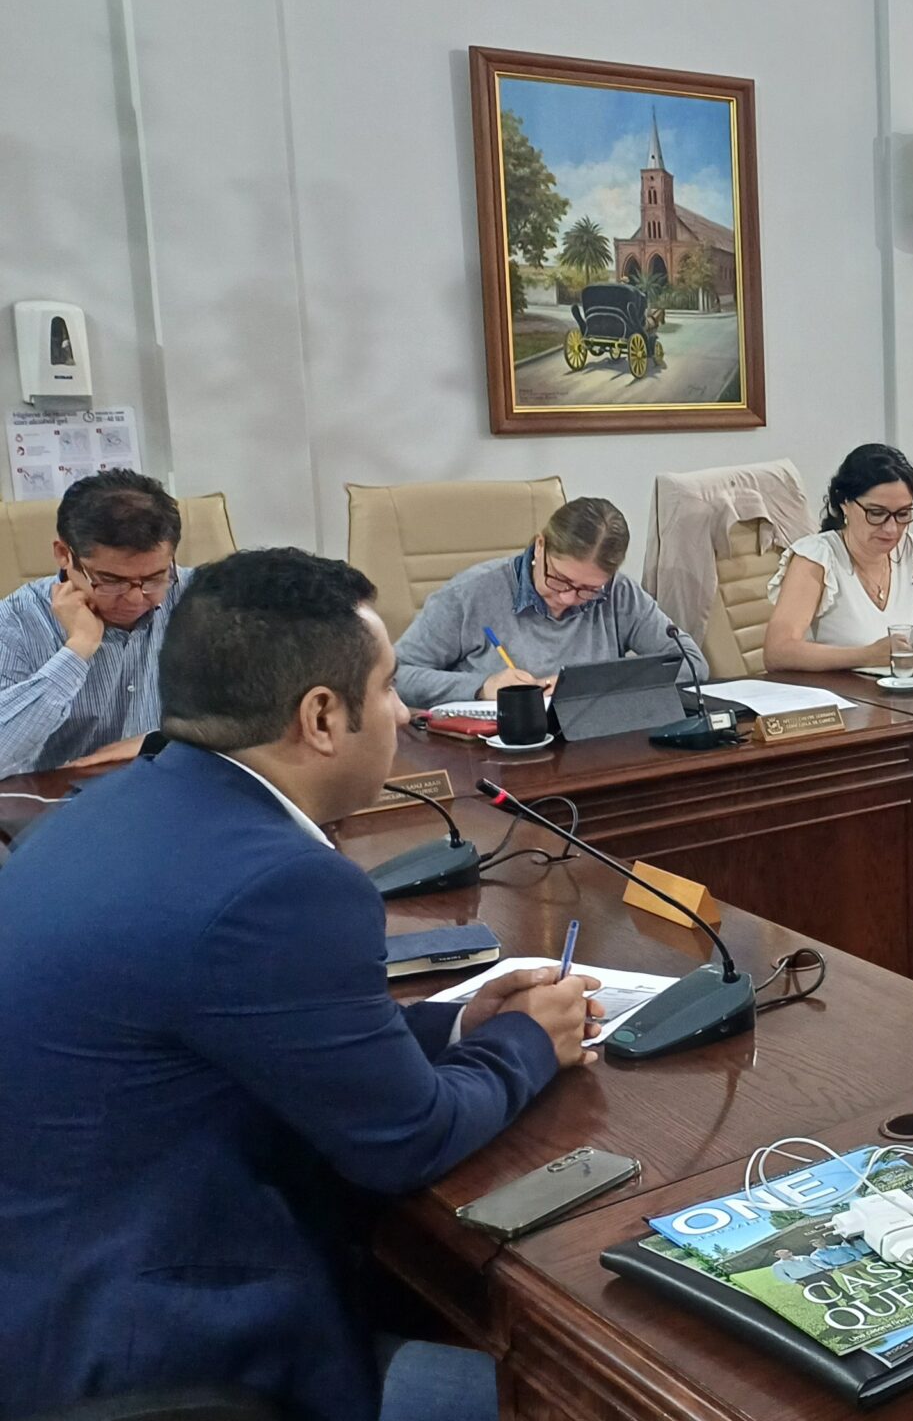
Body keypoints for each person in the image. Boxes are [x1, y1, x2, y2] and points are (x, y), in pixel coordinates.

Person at [0, 548, 601, 1420]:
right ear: (321, 716)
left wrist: (458, 1027)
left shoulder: (109, 807)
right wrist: (528, 1042)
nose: (401, 712)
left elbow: (245, 1035)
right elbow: (409, 1139)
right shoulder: (278, 883)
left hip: (45, 1297)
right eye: (388, 688)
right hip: (161, 1352)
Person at [393, 496, 706, 707]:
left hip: (592, 748)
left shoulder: (618, 592)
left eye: (588, 589)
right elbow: (396, 675)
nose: (568, 597)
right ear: (540, 545)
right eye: (559, 579)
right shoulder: (469, 594)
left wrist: (589, 685)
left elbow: (692, 664)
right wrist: (482, 687)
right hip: (496, 755)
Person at [0, 468, 188, 775]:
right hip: (60, 797)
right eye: (111, 581)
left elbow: (257, 719)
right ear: (64, 554)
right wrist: (77, 650)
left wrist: (159, 741)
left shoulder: (200, 599)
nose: (135, 598)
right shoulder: (15, 622)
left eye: (155, 578)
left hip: (172, 784)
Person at [766, 443, 913, 671]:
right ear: (844, 503)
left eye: (903, 514)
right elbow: (778, 652)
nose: (891, 529)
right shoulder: (817, 558)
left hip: (903, 690)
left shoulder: (912, 552)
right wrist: (866, 656)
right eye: (876, 513)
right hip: (839, 691)